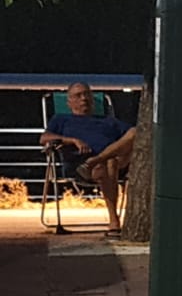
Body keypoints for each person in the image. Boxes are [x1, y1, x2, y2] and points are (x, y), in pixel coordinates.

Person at [39, 82, 134, 235]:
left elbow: (135, 134)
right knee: (108, 163)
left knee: (134, 133)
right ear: (69, 102)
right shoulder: (62, 119)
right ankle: (114, 221)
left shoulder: (108, 121)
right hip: (81, 166)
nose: (84, 98)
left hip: (114, 163)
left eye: (87, 94)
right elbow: (44, 138)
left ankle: (97, 160)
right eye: (78, 95)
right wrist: (72, 140)